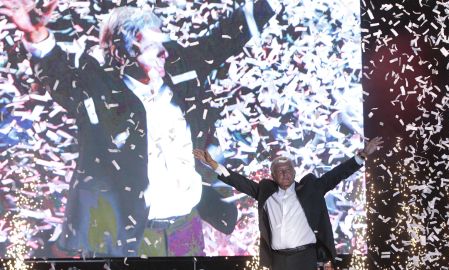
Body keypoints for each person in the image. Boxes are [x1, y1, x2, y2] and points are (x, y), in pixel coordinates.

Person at [0, 0, 279, 256]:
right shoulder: (100, 93)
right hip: (129, 237)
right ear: (126, 52)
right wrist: (35, 32)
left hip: (187, 229)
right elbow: (58, 73)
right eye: (154, 46)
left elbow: (224, 40)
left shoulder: (180, 71)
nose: (165, 52)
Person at [193, 136, 383, 270]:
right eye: (280, 170)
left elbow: (337, 174)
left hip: (305, 258)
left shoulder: (311, 189)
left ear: (294, 172)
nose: (285, 173)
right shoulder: (265, 192)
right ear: (273, 175)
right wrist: (213, 164)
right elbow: (237, 181)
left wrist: (362, 155)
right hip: (278, 260)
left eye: (288, 169)